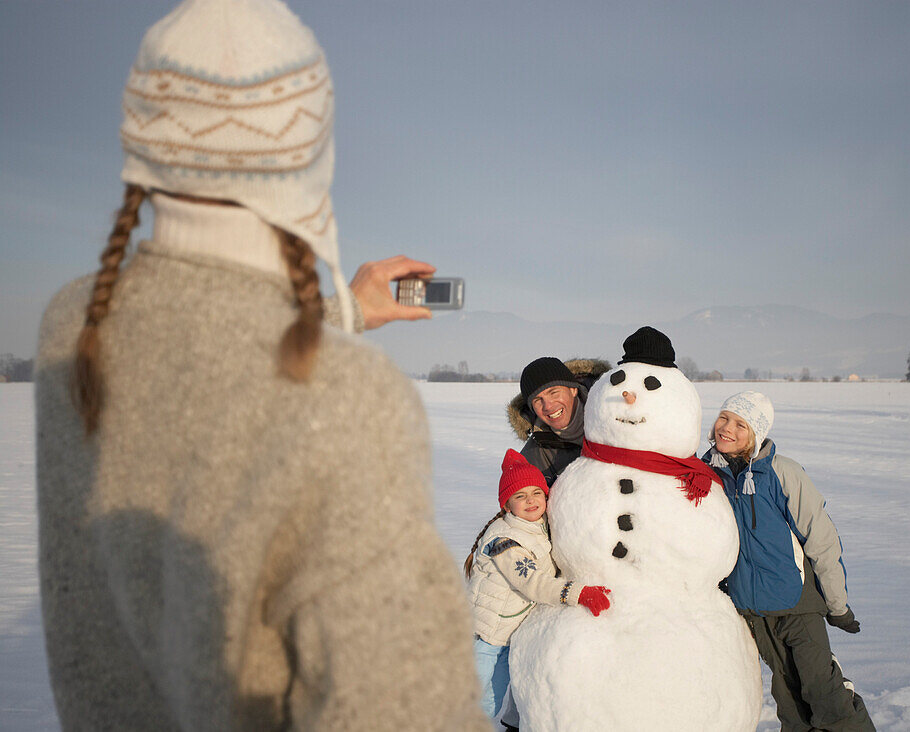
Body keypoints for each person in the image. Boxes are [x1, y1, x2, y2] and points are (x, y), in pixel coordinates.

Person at [34, 1, 487, 729]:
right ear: (311, 157)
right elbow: (404, 709)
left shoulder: (73, 327)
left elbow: (205, 362)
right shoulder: (351, 401)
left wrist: (341, 311)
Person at [702, 391, 875, 732]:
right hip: (751, 610)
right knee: (789, 700)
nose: (727, 429)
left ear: (757, 433)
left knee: (822, 692)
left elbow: (821, 539)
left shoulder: (783, 473)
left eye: (741, 424)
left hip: (796, 603)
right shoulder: (708, 476)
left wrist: (837, 605)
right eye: (724, 418)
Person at [464, 449, 612, 728]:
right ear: (506, 505)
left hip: (507, 635)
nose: (530, 500)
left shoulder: (537, 526)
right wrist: (578, 592)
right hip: (483, 637)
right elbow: (532, 583)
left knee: (491, 703)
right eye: (520, 496)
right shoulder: (505, 541)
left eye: (536, 493)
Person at [507, 356, 610, 486]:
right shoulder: (534, 457)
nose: (548, 406)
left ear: (573, 389)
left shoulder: (614, 418)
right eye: (538, 400)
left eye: (554, 392)